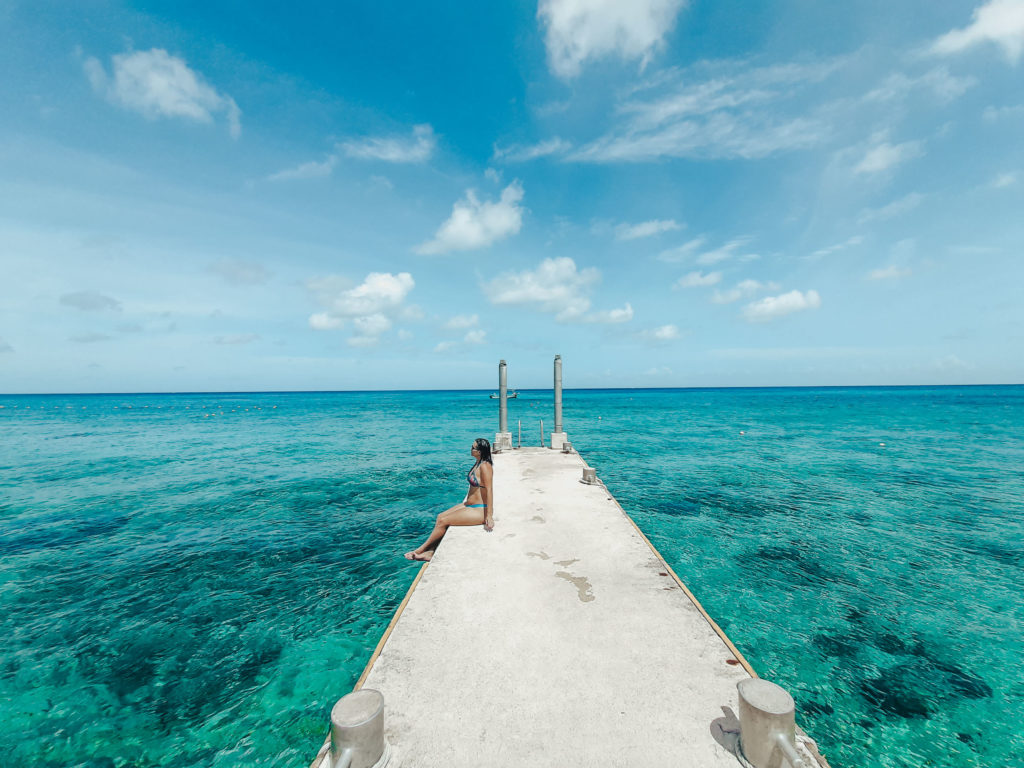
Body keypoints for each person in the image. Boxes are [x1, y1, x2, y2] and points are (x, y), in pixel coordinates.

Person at [404, 437, 494, 562]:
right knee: (440, 517)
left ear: (480, 451)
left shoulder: (485, 466)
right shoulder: (477, 463)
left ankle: (420, 550)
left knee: (443, 521)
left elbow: (489, 490)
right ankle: (431, 552)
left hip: (480, 510)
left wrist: (489, 516)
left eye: (473, 448)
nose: (471, 449)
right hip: (469, 504)